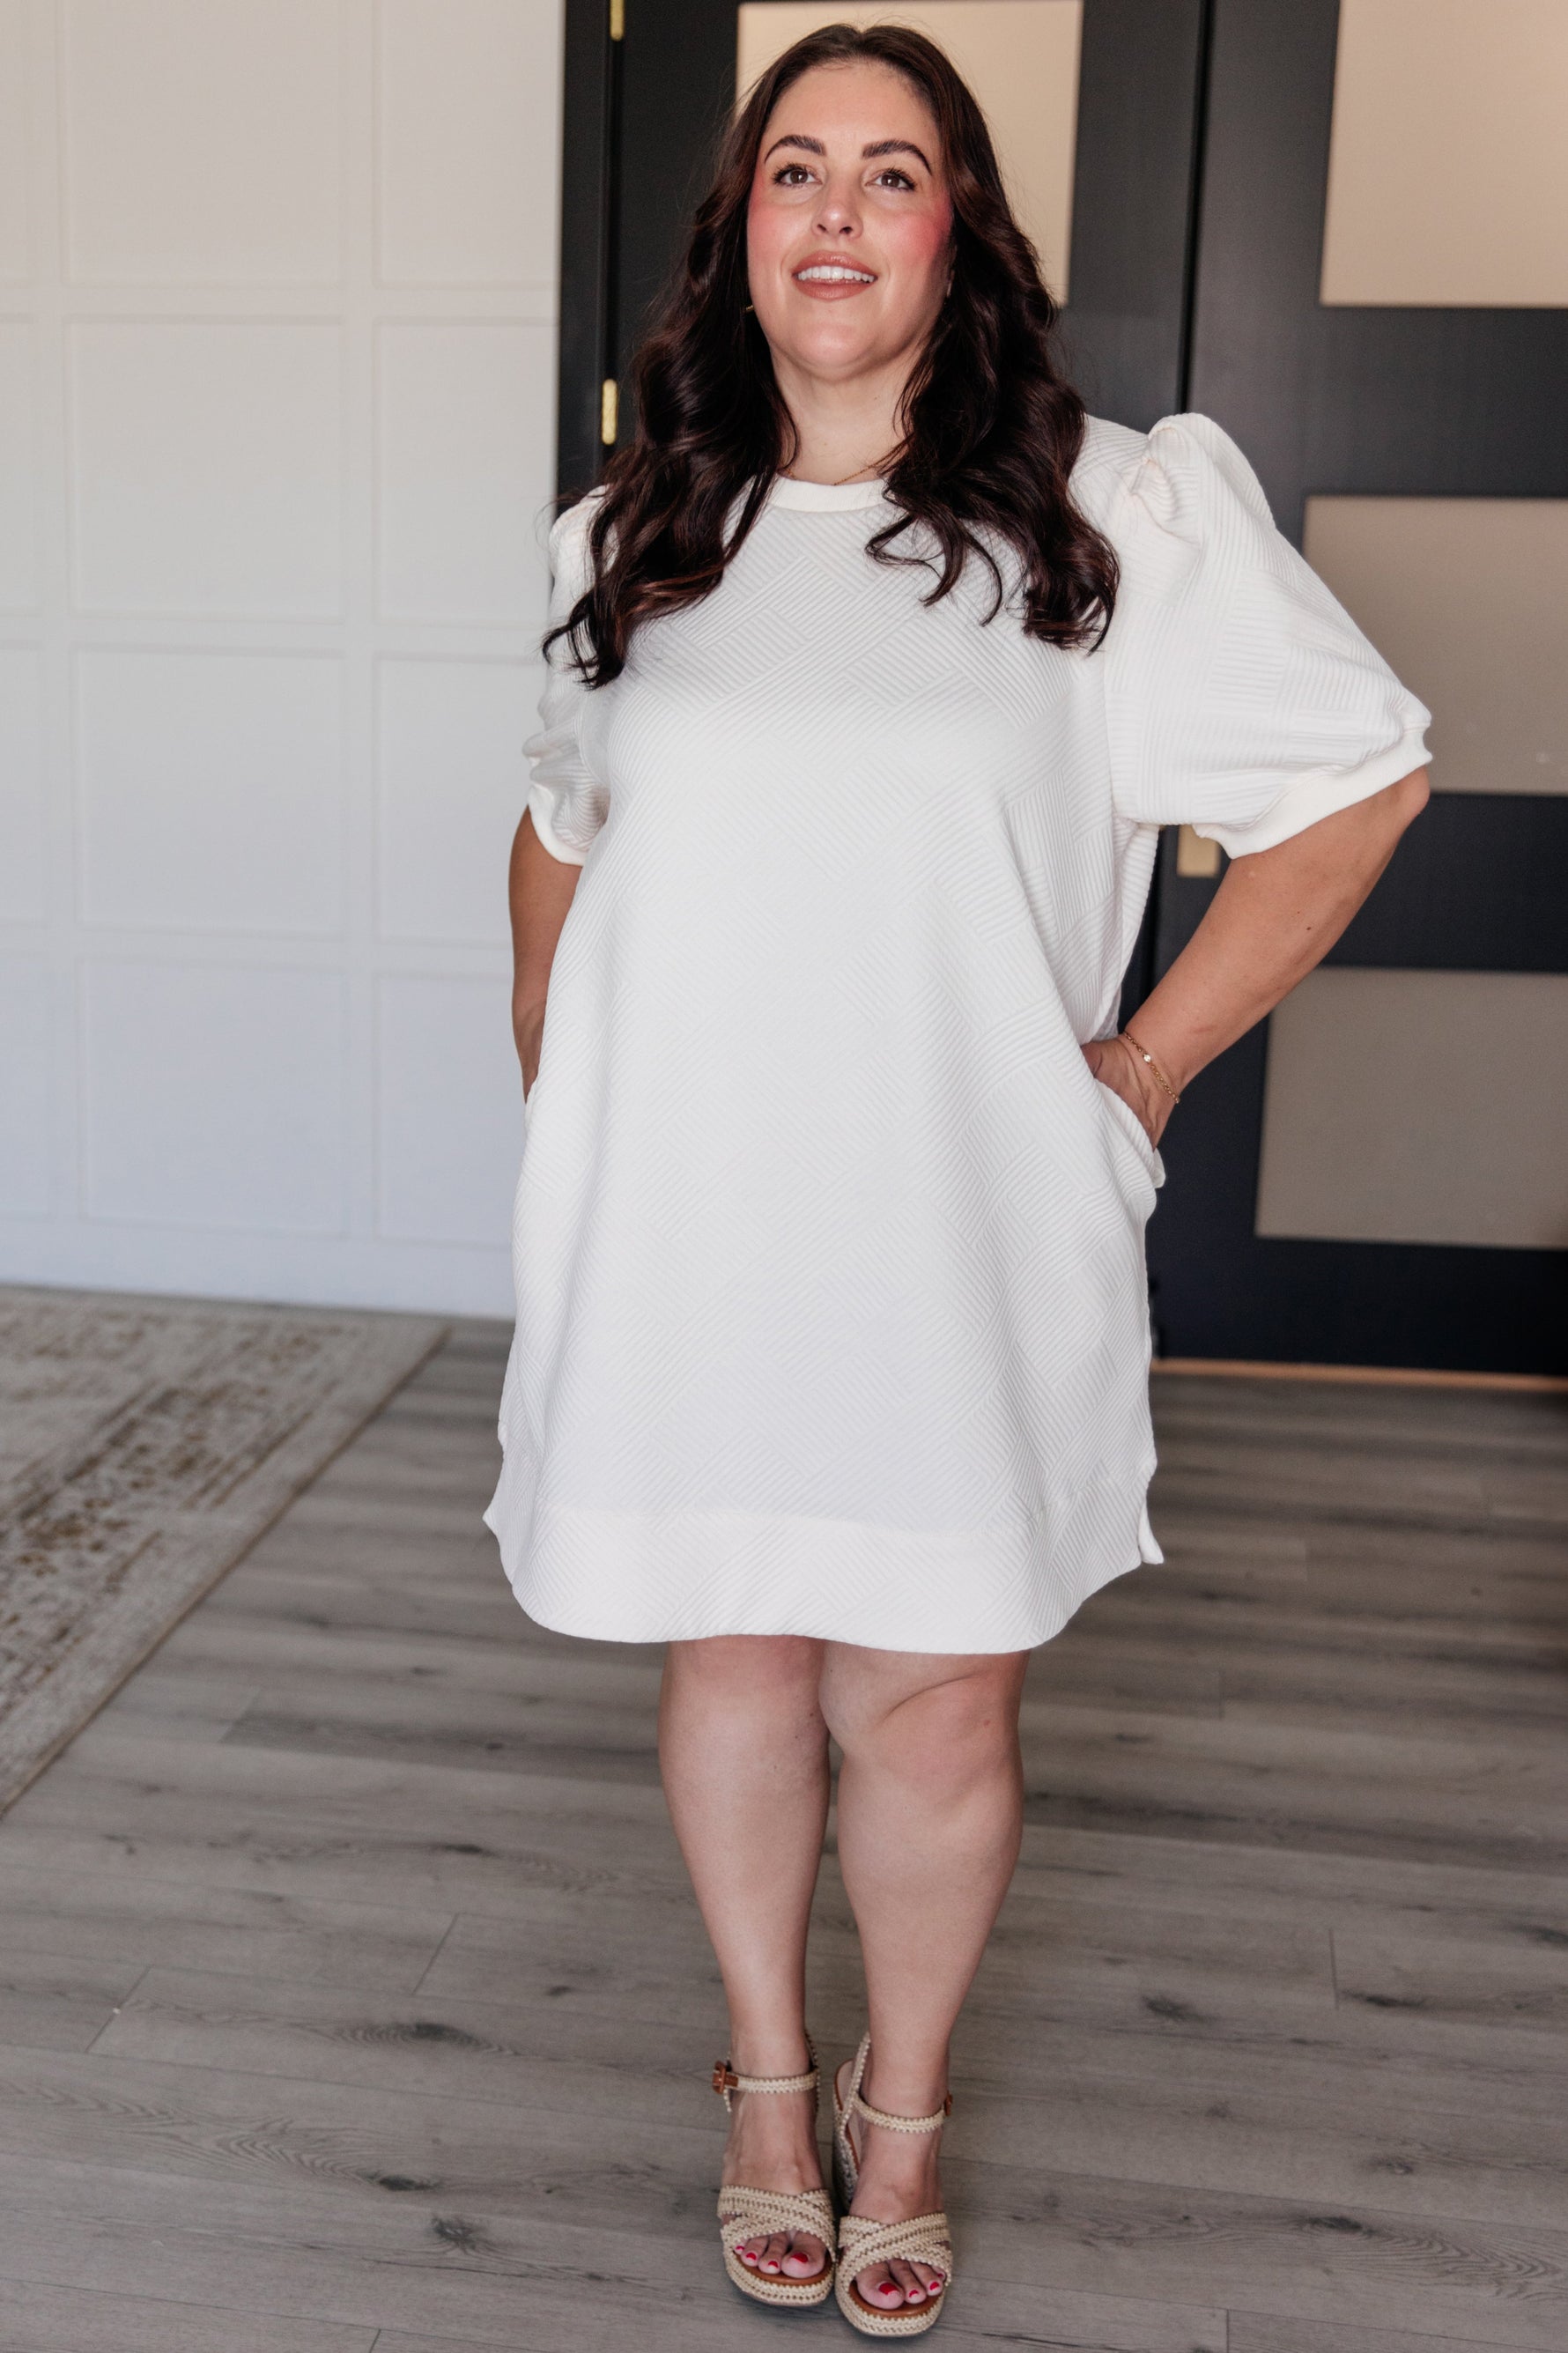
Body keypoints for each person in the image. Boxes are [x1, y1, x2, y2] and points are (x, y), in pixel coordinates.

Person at [484, 22, 1430, 2337]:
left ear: (956, 232)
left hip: (954, 1223)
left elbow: (1358, 784)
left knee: (930, 1698)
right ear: (739, 230)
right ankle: (766, 2081)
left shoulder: (1100, 521)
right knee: (733, 1650)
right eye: (794, 168)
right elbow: (557, 822)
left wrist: (1139, 1071)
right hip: (696, 1223)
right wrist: (562, 1080)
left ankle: (899, 2107)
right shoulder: (633, 533)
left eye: (889, 173)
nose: (835, 211)